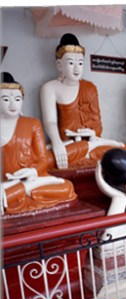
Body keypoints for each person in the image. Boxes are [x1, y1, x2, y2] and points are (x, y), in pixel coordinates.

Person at [40, 33, 126, 169]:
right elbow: (50, 122)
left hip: (92, 143)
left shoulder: (90, 88)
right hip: (68, 145)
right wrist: (56, 142)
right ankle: (87, 151)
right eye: (71, 63)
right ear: (59, 65)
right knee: (44, 161)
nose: (76, 68)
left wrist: (93, 133)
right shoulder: (50, 88)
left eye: (80, 63)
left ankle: (89, 150)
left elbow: (97, 124)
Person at [1, 72, 76, 215]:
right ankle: (21, 190)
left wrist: (33, 171)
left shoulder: (32, 124)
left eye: (17, 99)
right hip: (5, 183)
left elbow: (42, 160)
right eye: (5, 99)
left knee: (66, 187)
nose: (12, 105)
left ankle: (23, 189)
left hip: (34, 178)